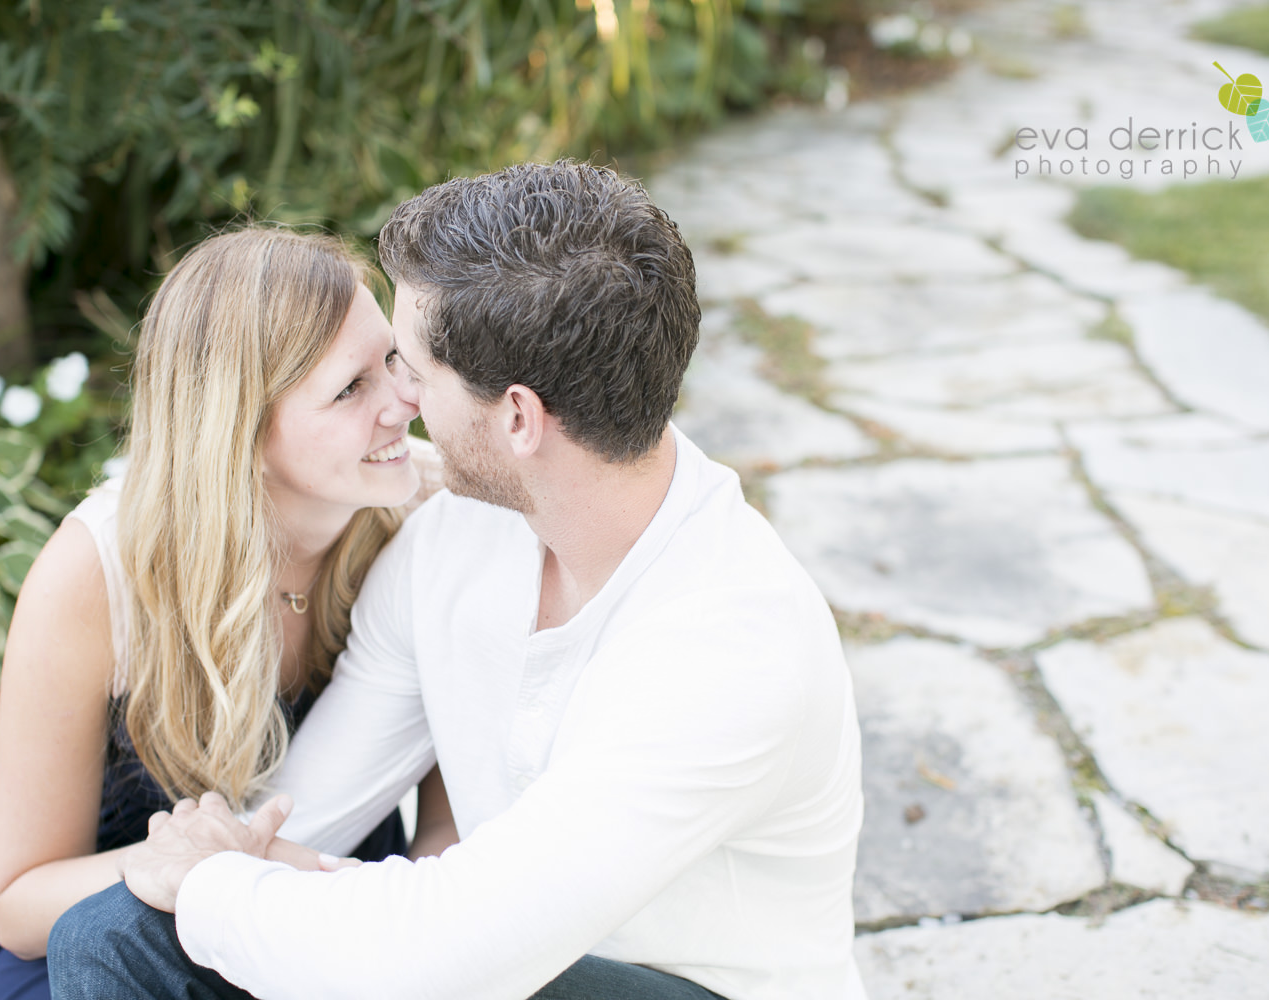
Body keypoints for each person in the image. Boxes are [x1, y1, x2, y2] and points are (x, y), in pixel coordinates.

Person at [48, 162, 866, 1000]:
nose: (399, 397)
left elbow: (453, 958)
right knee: (117, 937)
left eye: (412, 366)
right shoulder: (450, 542)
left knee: (298, 929)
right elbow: (298, 817)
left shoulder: (731, 641)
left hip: (661, 986)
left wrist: (217, 882)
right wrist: (224, 868)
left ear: (518, 417)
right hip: (481, 951)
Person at [0, 227, 456, 1000]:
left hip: (329, 912)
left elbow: (446, 831)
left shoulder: (430, 515)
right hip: (114, 939)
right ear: (241, 428)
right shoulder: (98, 574)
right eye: (350, 387)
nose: (408, 399)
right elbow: (19, 903)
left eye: (393, 358)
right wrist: (200, 865)